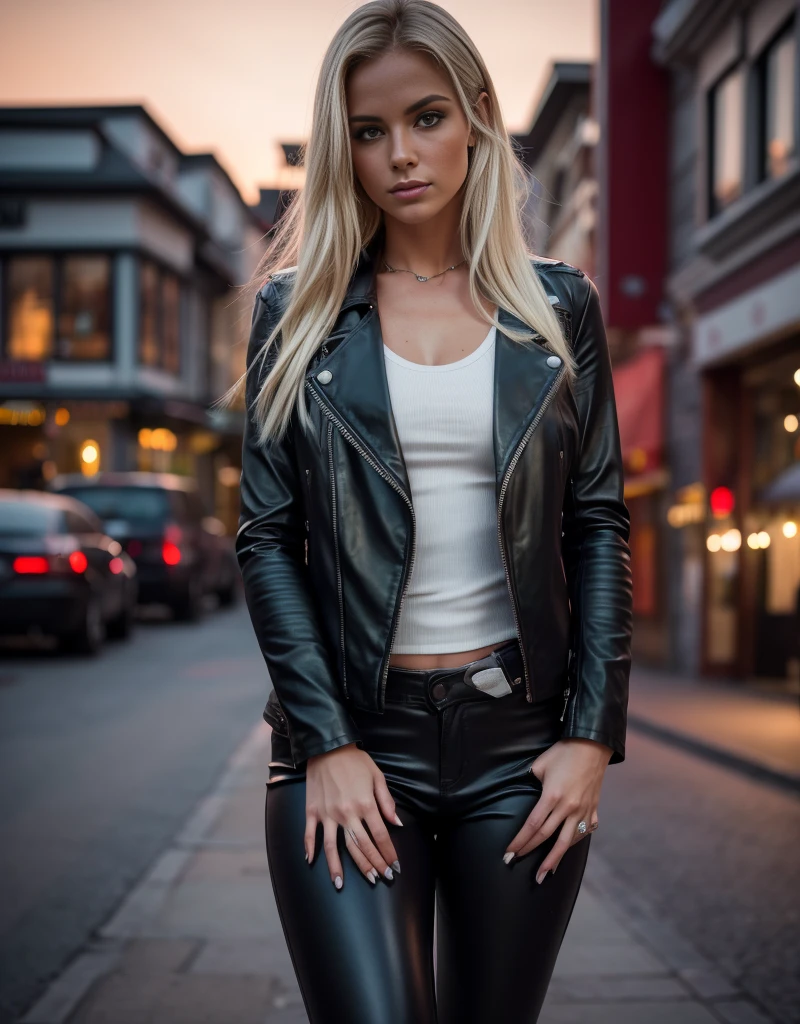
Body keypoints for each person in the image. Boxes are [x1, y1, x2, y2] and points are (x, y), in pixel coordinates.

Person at [232, 1, 633, 1020]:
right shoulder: (297, 312)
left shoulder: (557, 308)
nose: (399, 154)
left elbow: (593, 524)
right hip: (357, 744)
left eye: (424, 117)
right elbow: (267, 539)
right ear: (342, 147)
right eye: (367, 132)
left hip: (519, 747)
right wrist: (323, 741)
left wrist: (589, 733)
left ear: (476, 117)